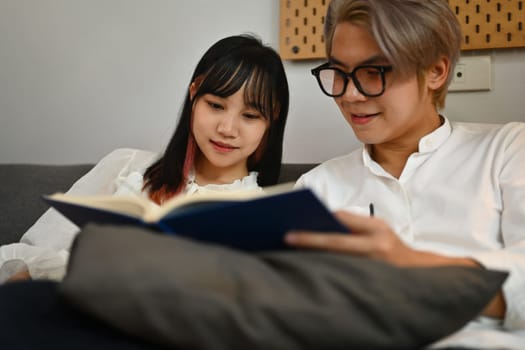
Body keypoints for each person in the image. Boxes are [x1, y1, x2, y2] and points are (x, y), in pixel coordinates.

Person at [284, 0, 525, 348]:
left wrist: (413, 266)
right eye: (339, 72)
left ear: (436, 71)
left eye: (375, 71)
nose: (350, 94)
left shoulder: (506, 150)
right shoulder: (316, 187)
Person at [0, 34, 289, 283]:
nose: (227, 129)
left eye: (250, 116)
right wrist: (29, 275)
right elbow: (32, 250)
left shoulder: (260, 215)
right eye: (215, 105)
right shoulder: (126, 164)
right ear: (194, 94)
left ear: (272, 119)